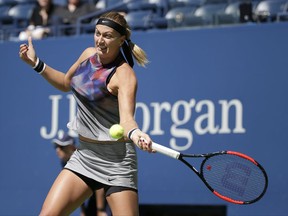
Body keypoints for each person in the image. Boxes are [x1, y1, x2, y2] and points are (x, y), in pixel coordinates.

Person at [19, 11, 154, 216]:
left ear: (121, 39)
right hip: (85, 156)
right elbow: (66, 83)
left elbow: (127, 120)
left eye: (107, 36)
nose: (100, 40)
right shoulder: (88, 55)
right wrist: (37, 64)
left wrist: (136, 133)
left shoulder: (124, 75)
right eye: (97, 33)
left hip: (117, 164)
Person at [52, 133, 108, 216]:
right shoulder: (64, 162)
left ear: (71, 147)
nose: (58, 150)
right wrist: (83, 210)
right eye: (56, 147)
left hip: (106, 191)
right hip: (93, 194)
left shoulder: (85, 158)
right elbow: (75, 189)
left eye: (61, 147)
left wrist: (100, 210)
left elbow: (99, 185)